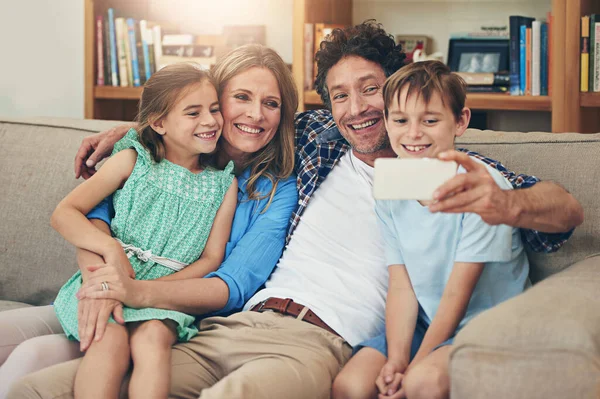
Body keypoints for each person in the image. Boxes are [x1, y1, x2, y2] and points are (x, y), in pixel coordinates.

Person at [7, 21, 583, 399]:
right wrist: (142, 132)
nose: (357, 109)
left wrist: (506, 202)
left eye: (371, 89)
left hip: (320, 341)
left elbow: (565, 210)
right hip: (226, 328)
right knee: (45, 387)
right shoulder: (313, 140)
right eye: (339, 94)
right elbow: (223, 124)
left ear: (403, 86)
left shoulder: (445, 169)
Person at [0, 44, 298, 397]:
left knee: (32, 357)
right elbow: (94, 217)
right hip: (103, 285)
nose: (256, 115)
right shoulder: (146, 152)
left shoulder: (260, 188)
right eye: (241, 98)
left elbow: (227, 281)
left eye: (271, 103)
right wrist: (107, 279)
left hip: (167, 310)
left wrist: (135, 291)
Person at [333, 60, 530, 399]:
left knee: (421, 382)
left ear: (460, 121)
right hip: (427, 323)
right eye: (400, 120)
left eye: (430, 120)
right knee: (351, 385)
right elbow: (402, 285)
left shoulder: (482, 189)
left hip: (488, 327)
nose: (413, 133)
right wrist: (396, 359)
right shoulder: (393, 183)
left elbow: (457, 295)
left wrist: (412, 367)